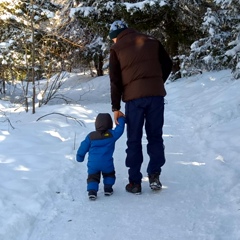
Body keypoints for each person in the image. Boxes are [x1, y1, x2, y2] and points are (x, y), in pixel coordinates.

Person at [108, 20, 173, 194]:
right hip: (156, 97)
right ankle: (154, 176)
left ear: (115, 37)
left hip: (134, 100)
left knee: (134, 139)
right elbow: (168, 64)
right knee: (155, 136)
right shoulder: (152, 40)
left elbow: (115, 80)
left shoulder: (116, 48)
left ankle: (135, 183)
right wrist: (156, 83)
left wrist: (116, 107)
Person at [76, 113, 125, 200]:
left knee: (93, 176)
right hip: (107, 163)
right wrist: (121, 118)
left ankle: (92, 191)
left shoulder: (91, 136)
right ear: (109, 123)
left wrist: (80, 157)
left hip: (93, 163)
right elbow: (120, 129)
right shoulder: (112, 135)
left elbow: (83, 147)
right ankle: (108, 189)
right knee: (109, 174)